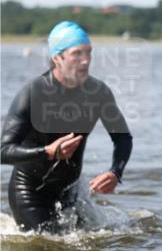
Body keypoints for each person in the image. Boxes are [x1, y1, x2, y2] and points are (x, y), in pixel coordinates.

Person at [1, 22, 133, 232]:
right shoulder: (34, 94)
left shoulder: (98, 93)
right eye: (77, 54)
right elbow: (4, 151)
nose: (86, 60)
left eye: (89, 52)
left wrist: (115, 172)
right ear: (57, 58)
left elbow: (123, 138)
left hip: (71, 190)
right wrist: (47, 152)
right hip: (30, 192)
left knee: (97, 244)